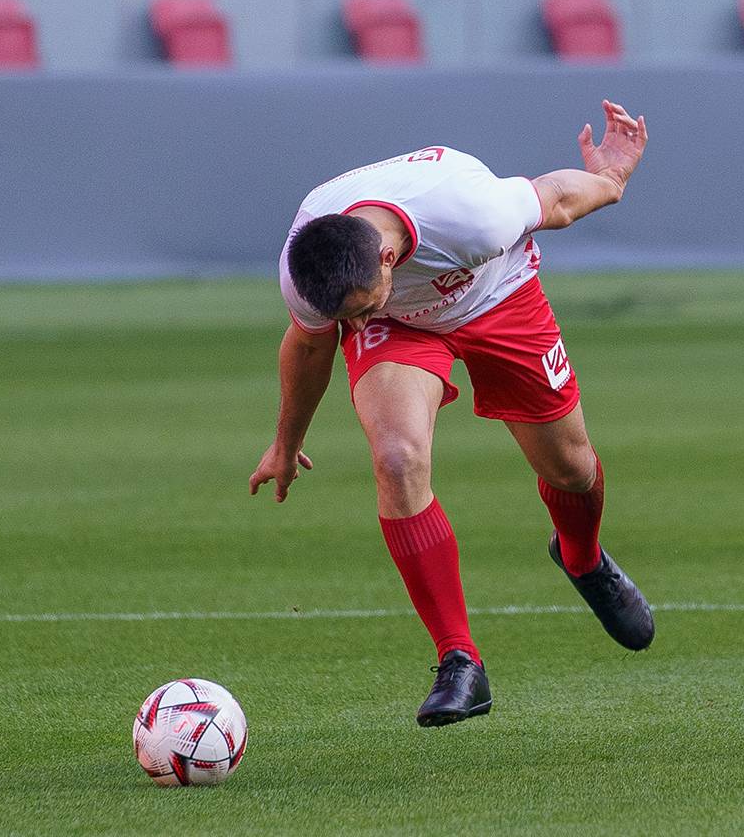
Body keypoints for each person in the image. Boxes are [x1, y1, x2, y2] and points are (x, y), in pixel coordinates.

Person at [249, 104, 656, 727]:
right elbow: (308, 345)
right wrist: (285, 442)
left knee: (571, 469)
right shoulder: (309, 265)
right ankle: (459, 659)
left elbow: (555, 198)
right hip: (403, 328)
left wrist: (611, 180)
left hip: (498, 296)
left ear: (388, 261)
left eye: (357, 309)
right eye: (344, 318)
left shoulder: (473, 216)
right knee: (396, 459)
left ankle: (581, 557)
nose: (351, 324)